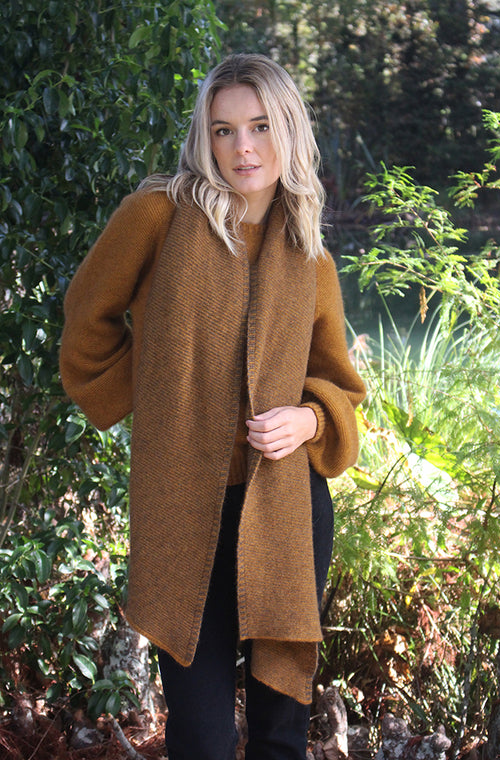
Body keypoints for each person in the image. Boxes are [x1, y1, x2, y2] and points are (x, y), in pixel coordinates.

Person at [60, 53, 366, 760]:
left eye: (260, 126)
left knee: (280, 732)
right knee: (200, 737)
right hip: (184, 511)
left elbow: (339, 384)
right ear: (206, 136)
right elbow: (86, 318)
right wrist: (155, 389)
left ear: (288, 130)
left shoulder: (309, 253)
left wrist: (309, 419)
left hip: (286, 509)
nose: (242, 147)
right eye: (223, 129)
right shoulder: (158, 214)